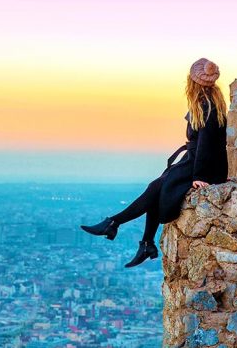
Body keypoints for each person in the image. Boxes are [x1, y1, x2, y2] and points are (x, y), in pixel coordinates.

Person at [80, 58, 228, 268]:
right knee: (157, 188)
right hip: (197, 162)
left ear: (192, 82)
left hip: (201, 166)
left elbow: (207, 144)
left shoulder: (207, 106)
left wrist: (200, 176)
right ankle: (143, 241)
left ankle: (114, 224)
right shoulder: (211, 103)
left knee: (158, 187)